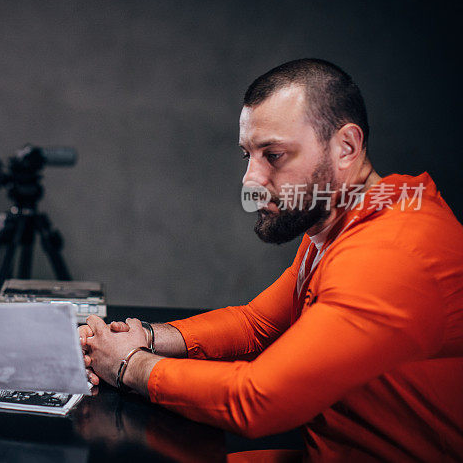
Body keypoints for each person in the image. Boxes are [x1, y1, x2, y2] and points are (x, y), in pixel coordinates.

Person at [80, 59, 463, 461]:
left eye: (274, 155)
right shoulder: (338, 218)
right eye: (248, 154)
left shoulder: (393, 252)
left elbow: (256, 401)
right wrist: (146, 337)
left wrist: (130, 365)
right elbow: (256, 323)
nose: (250, 180)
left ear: (346, 147)